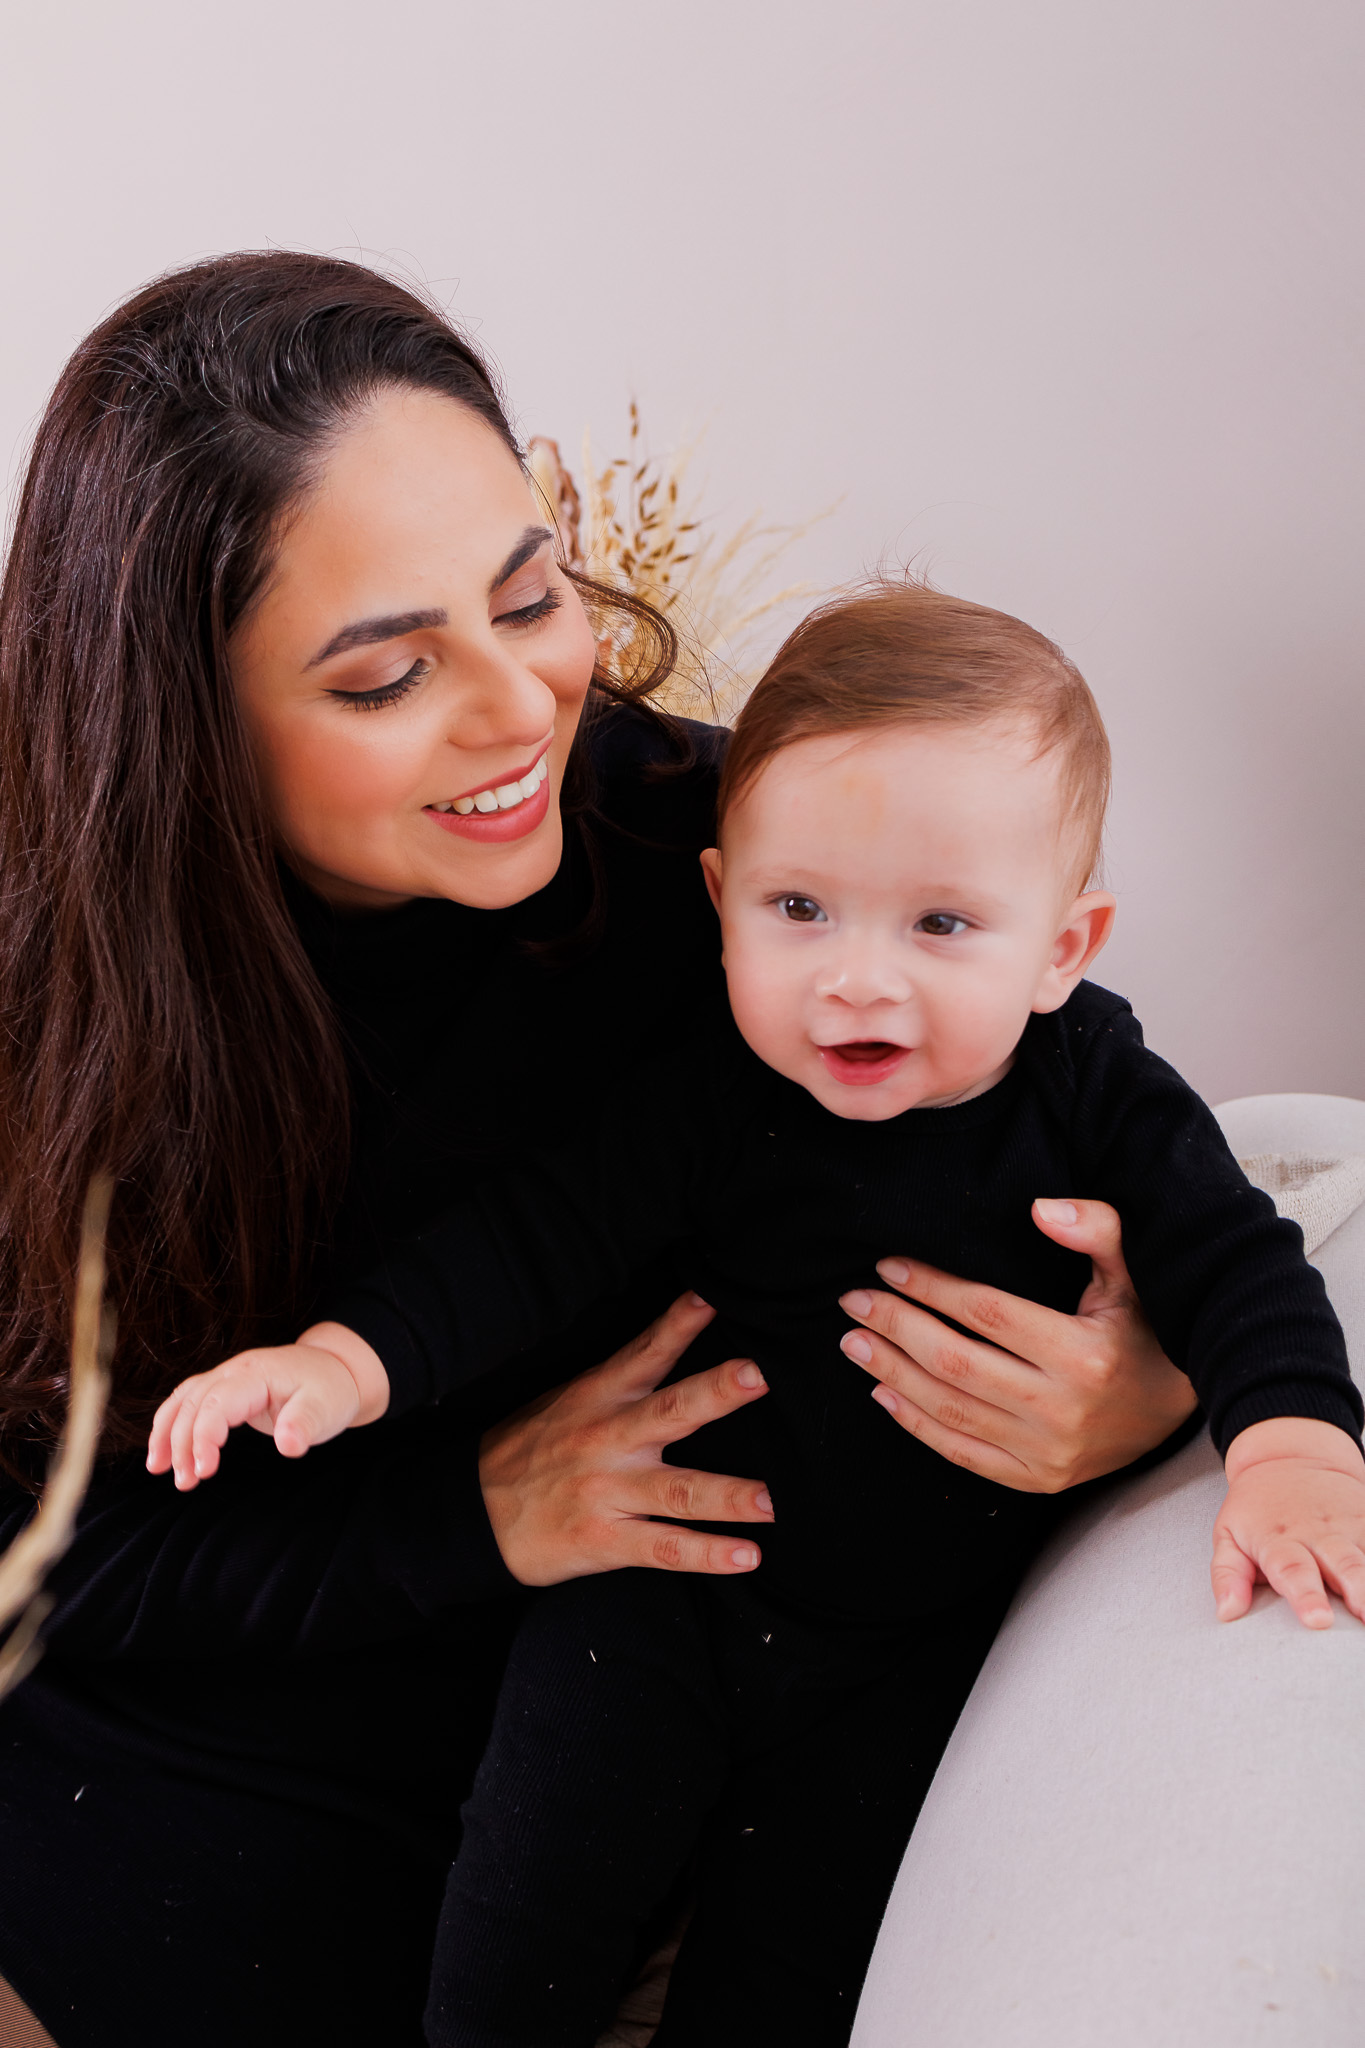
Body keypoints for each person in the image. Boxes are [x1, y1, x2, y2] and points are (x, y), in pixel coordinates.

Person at [0, 254, 1199, 2048]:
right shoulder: (69, 1012)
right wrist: (472, 1513)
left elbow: (1090, 1107)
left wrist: (1149, 1387)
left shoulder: (724, 866)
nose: (517, 708)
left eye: (529, 593)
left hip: (577, 1743)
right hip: (173, 1740)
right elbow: (58, 1555)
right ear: (191, 734)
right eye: (388, 675)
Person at [155, 582, 1365, 2046]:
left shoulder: (1096, 1094)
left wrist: (1291, 1446)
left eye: (941, 923)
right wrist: (336, 1368)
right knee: (517, 1932)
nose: (859, 977)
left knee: (791, 1974)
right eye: (799, 910)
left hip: (901, 1651)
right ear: (721, 899)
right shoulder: (709, 1102)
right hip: (654, 1600)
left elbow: (1237, 1261)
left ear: (1061, 946)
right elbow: (520, 1249)